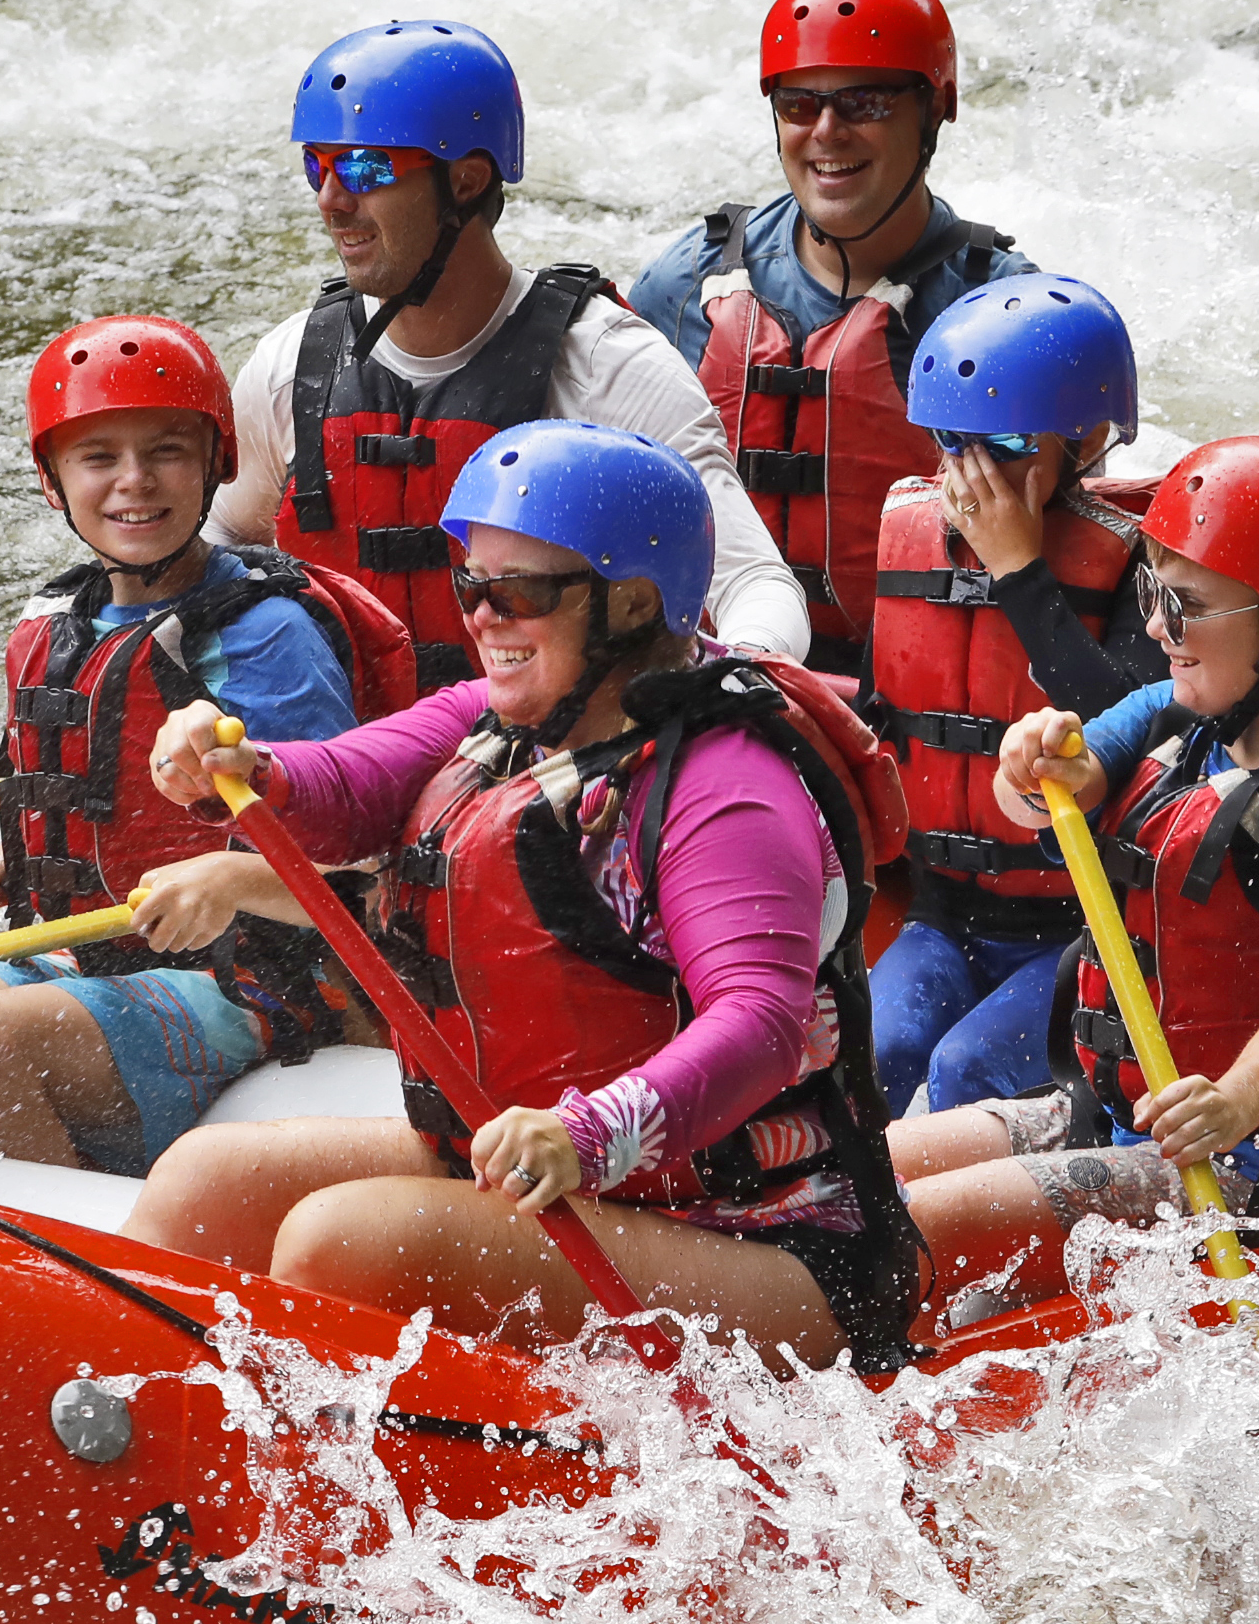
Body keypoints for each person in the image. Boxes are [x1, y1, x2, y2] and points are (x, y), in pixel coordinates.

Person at [122, 421, 922, 1368]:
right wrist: (245, 764)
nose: (481, 617)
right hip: (556, 1176)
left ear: (630, 603)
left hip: (768, 1240)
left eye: (518, 592)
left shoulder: (726, 789)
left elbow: (760, 1023)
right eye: (472, 585)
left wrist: (585, 1136)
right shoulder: (515, 720)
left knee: (345, 1245)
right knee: (206, 1182)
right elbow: (347, 788)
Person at [889, 439, 1259, 1313]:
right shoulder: (1178, 715)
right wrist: (1027, 764)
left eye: (1187, 606)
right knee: (867, 1174)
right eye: (1153, 595)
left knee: (916, 1220)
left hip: (1258, 1169)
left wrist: (1237, 1101)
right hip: (1121, 1115)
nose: (1155, 629)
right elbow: (1055, 790)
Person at [0, 316, 410, 1170]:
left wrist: (232, 878)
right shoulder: (53, 626)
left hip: (260, 980)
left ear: (218, 463)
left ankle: (67, 1279)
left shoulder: (265, 633)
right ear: (52, 479)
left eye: (166, 450)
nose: (134, 482)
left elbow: (363, 857)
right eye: (98, 457)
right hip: (93, 952)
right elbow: (47, 808)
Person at [219, 17, 812, 680]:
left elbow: (755, 583)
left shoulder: (607, 369)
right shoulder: (291, 368)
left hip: (535, 767)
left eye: (364, 167)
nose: (330, 201)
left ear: (467, 181)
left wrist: (735, 684)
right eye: (316, 166)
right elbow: (214, 548)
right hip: (334, 766)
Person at [627, 0, 1031, 677]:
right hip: (715, 677)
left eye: (866, 103)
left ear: (934, 109)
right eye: (798, 104)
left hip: (907, 693)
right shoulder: (689, 282)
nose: (826, 132)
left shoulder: (1001, 316)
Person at [857, 271, 1169, 1114]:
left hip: (1081, 929)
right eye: (952, 441)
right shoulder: (910, 541)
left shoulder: (1140, 565)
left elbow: (1136, 734)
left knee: (967, 1070)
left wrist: (1021, 576)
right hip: (942, 914)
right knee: (879, 1050)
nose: (969, 476)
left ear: (1087, 437)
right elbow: (877, 716)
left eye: (1004, 449)